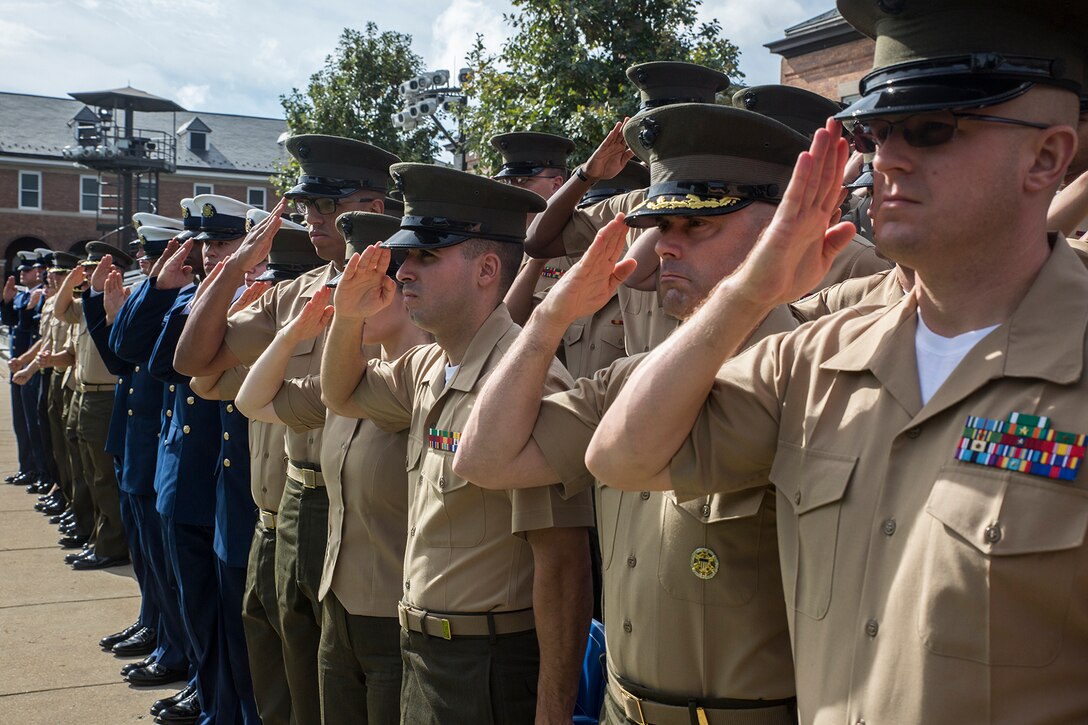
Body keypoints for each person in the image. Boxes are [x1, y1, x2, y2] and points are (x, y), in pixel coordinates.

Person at [586, 1, 1088, 722]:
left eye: (929, 129)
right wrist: (754, 286)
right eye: (873, 132)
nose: (886, 159)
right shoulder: (817, 356)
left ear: (1046, 157)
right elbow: (622, 456)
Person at [456, 101, 808, 724]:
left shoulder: (820, 380)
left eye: (697, 227)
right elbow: (483, 459)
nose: (665, 248)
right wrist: (547, 322)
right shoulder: (629, 378)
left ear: (777, 230)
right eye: (661, 226)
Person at [321, 162, 595, 724]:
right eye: (405, 257)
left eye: (426, 256)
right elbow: (341, 392)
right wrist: (347, 319)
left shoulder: (528, 382)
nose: (403, 274)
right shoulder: (429, 365)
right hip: (425, 650)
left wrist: (552, 712)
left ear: (487, 269)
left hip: (490, 665)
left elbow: (563, 566)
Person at [173, 135, 400, 725]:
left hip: (362, 505)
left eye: (328, 206)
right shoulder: (296, 293)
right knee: (284, 669)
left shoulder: (400, 291)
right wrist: (237, 266)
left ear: (373, 209)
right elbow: (194, 360)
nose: (312, 219)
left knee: (341, 685)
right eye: (308, 206)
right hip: (293, 501)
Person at [236, 210, 421, 723]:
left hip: (395, 618)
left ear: (399, 291)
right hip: (337, 611)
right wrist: (294, 334)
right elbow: (254, 401)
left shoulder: (424, 384)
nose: (345, 303)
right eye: (343, 290)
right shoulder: (353, 382)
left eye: (360, 290)